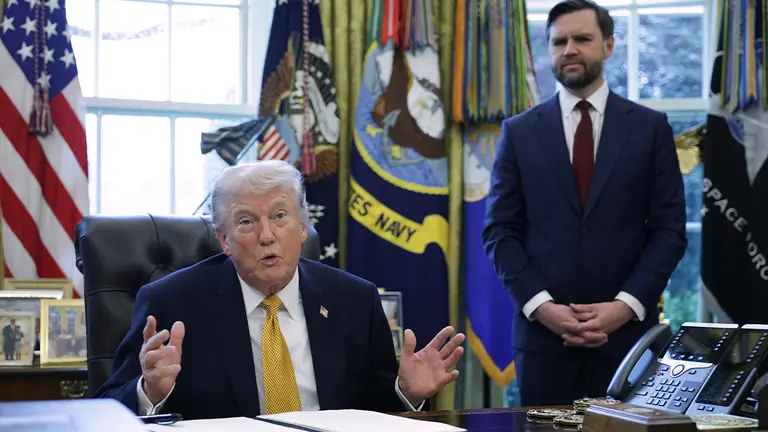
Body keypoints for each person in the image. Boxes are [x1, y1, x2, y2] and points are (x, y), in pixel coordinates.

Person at [95, 160, 465, 419]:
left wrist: (406, 393)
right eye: (246, 222)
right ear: (223, 239)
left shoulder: (354, 300)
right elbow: (106, 406)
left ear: (303, 227)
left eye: (279, 216)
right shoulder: (172, 303)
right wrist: (149, 391)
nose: (267, 236)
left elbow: (373, 408)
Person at [482, 0, 686, 406]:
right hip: (544, 344)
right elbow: (499, 232)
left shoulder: (650, 129)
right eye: (559, 42)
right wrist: (543, 308)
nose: (569, 49)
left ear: (608, 46)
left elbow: (669, 232)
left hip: (628, 342)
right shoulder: (519, 133)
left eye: (582, 39)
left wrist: (623, 307)